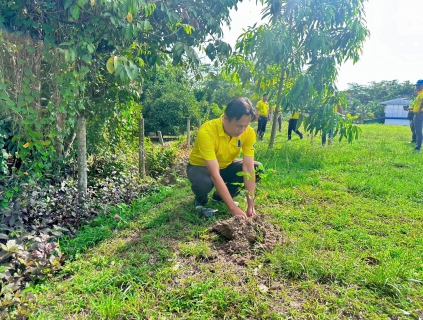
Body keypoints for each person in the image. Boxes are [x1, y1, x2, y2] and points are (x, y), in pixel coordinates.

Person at [187, 97, 262, 218]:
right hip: (201, 167)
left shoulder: (248, 132)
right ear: (226, 118)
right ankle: (201, 199)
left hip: (226, 165)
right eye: (238, 126)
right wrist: (233, 208)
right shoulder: (207, 132)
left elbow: (248, 168)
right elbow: (214, 174)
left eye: (245, 126)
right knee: (204, 183)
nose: (242, 130)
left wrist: (250, 205)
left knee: (257, 169)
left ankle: (219, 197)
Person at [412, 79, 423, 151]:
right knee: (416, 130)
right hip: (417, 113)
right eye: (416, 85)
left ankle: (418, 147)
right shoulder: (419, 93)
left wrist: (419, 110)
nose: (417, 86)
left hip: (419, 114)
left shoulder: (422, 93)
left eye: (419, 85)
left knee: (418, 131)